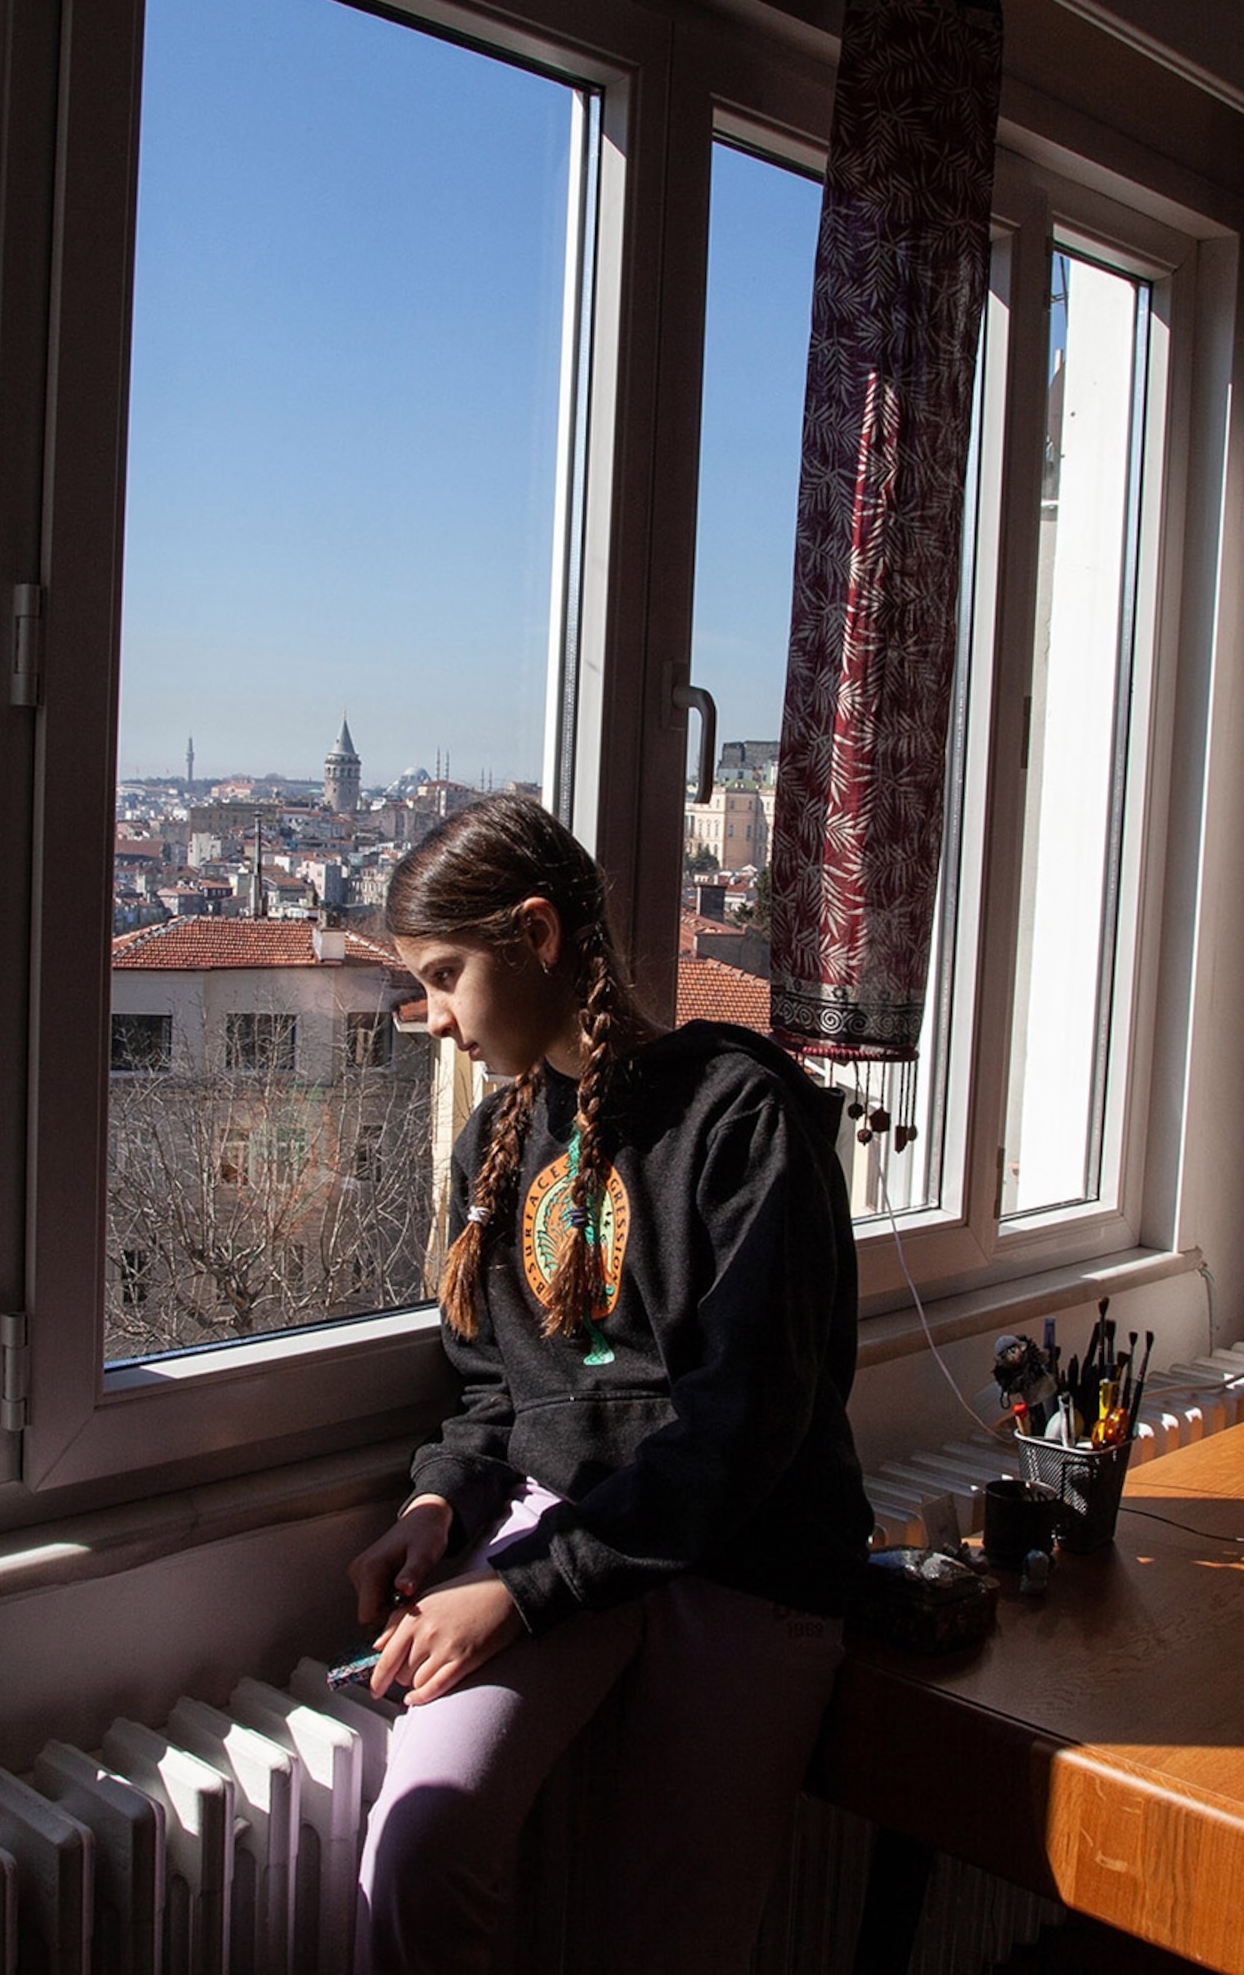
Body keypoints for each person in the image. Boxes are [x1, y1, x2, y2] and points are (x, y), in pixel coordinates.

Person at [348, 794, 871, 1975]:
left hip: (748, 1549)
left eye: (443, 975)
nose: (429, 1019)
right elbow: (499, 1386)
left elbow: (743, 1430)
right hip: (565, 1530)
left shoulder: (741, 1115)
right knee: (419, 1851)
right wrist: (438, 1500)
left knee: (670, 1938)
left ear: (535, 937)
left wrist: (524, 1594)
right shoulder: (498, 1133)